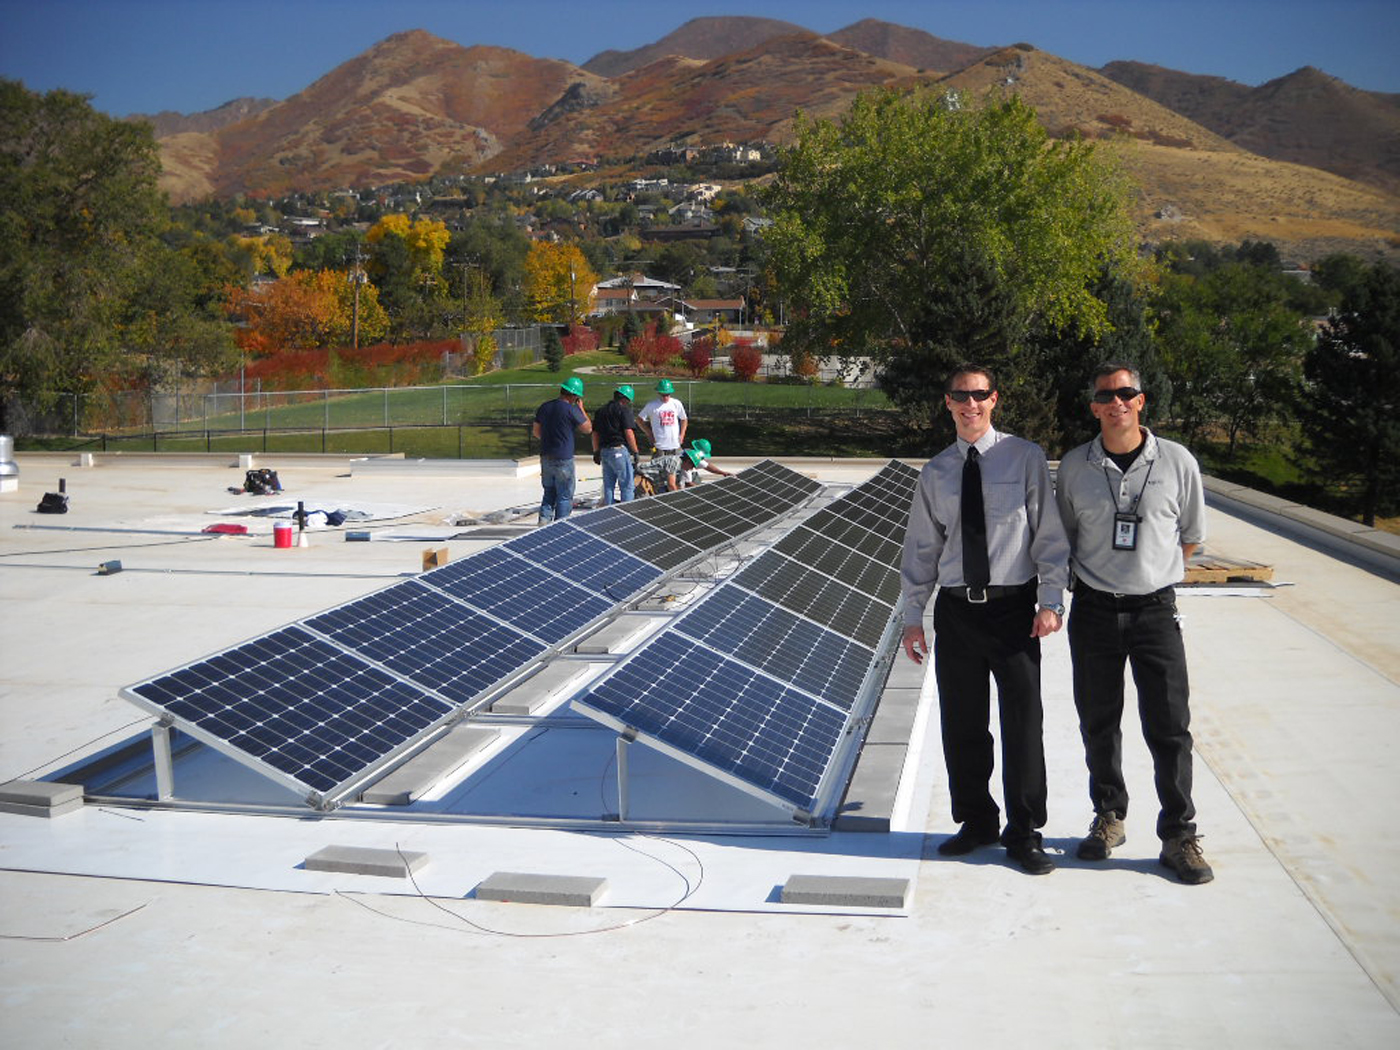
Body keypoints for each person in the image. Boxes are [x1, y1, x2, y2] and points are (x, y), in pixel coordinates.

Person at [900, 364, 1070, 875]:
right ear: (947, 402)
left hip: (1014, 609)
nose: (970, 404)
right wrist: (914, 616)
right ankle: (976, 821)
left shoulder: (1025, 457)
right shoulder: (935, 472)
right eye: (960, 396)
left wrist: (1051, 600)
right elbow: (922, 548)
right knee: (963, 723)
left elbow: (1048, 534)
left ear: (995, 400)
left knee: (1023, 724)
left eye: (980, 395)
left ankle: (1025, 831)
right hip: (957, 612)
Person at [1055, 363, 1213, 885]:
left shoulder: (1177, 461)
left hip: (1155, 612)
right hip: (1095, 611)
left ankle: (1178, 835)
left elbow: (1189, 536)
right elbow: (1067, 537)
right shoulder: (1077, 466)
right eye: (1107, 395)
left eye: (1127, 393)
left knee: (1170, 728)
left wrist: (1153, 574)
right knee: (1099, 722)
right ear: (1094, 405)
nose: (1117, 402)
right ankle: (1110, 817)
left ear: (1142, 401)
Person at [532, 376, 591, 523]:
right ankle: (560, 527)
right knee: (565, 495)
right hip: (564, 459)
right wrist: (581, 409)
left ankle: (543, 523)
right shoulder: (571, 410)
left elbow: (536, 432)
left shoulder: (545, 407)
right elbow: (588, 429)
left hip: (546, 457)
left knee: (549, 493)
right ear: (574, 395)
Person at [591, 384, 640, 505]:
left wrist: (596, 451)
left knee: (608, 486)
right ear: (625, 399)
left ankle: (609, 511)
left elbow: (595, 433)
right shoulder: (624, 410)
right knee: (627, 485)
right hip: (619, 451)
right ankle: (627, 512)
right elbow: (628, 432)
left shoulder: (601, 411)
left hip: (604, 452)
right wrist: (635, 451)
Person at [636, 379, 688, 492]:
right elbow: (639, 419)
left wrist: (682, 434)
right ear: (659, 393)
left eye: (668, 394)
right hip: (660, 447)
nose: (665, 397)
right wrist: (649, 433)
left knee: (677, 475)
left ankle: (677, 493)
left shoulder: (676, 404)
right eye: (663, 394)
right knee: (657, 475)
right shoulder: (652, 406)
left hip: (675, 446)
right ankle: (659, 494)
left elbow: (684, 419)